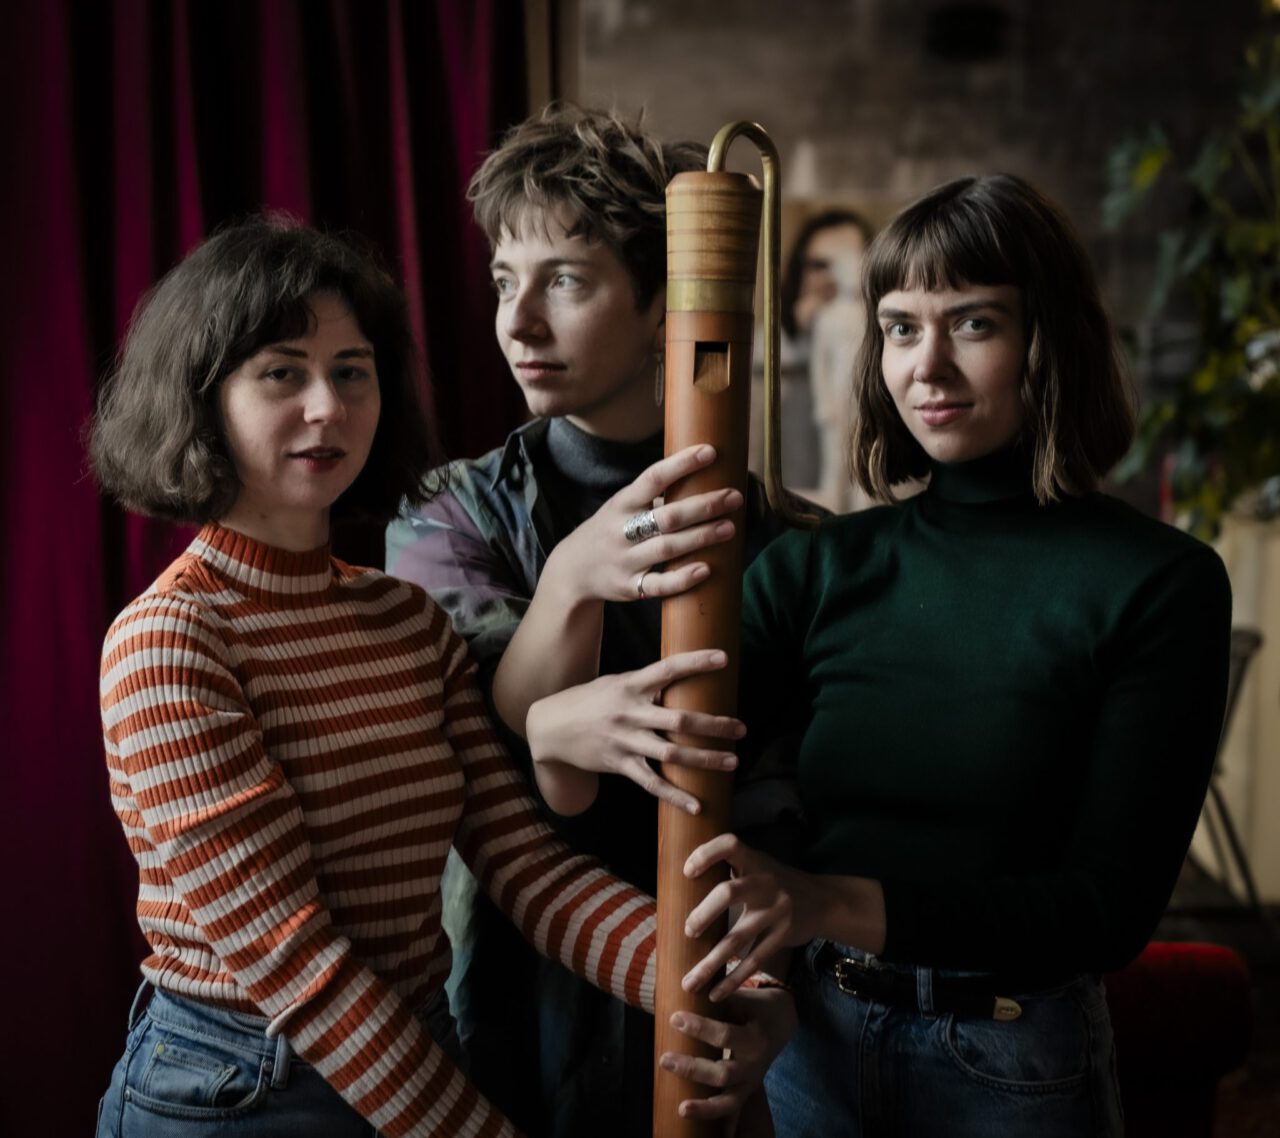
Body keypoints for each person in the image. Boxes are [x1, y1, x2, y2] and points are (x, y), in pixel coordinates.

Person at [89, 215, 790, 1138]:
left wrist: (714, 981)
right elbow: (301, 966)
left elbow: (526, 867)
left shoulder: (404, 620)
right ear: (202, 398)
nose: (327, 407)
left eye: (351, 371)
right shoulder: (171, 639)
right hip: (237, 1088)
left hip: (413, 1052)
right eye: (282, 373)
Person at [671, 174, 1234, 1137]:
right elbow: (677, 766)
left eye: (972, 324)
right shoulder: (819, 568)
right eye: (898, 327)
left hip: (1013, 1060)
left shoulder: (1159, 582)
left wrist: (824, 901)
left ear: (1046, 344)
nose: (925, 366)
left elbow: (1108, 911)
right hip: (814, 1042)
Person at [386, 105, 811, 1137]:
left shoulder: (791, 543)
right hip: (502, 1005)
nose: (516, 321)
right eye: (503, 281)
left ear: (666, 303)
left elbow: (803, 820)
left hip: (711, 1014)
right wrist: (574, 576)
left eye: (564, 281)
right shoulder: (445, 511)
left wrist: (773, 1007)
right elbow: (487, 744)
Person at [750, 209, 874, 500]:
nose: (834, 275)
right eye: (820, 264)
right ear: (799, 270)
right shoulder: (762, 344)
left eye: (847, 260)